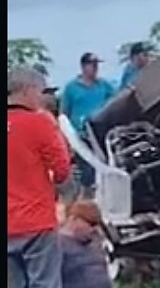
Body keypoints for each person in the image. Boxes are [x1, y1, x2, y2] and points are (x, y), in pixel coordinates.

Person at [8, 67, 72, 288]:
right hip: (36, 221)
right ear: (28, 90)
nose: (42, 97)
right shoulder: (40, 123)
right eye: (40, 91)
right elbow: (62, 169)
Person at [60, 53, 116, 198]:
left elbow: (116, 102)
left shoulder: (104, 85)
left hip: (102, 133)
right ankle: (87, 199)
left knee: (106, 168)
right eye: (92, 65)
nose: (96, 68)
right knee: (87, 172)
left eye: (97, 65)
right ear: (84, 66)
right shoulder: (72, 88)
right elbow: (64, 112)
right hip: (81, 135)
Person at [58, 201, 113, 288]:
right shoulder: (58, 246)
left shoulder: (96, 240)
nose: (95, 229)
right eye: (91, 224)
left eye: (97, 225)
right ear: (74, 219)